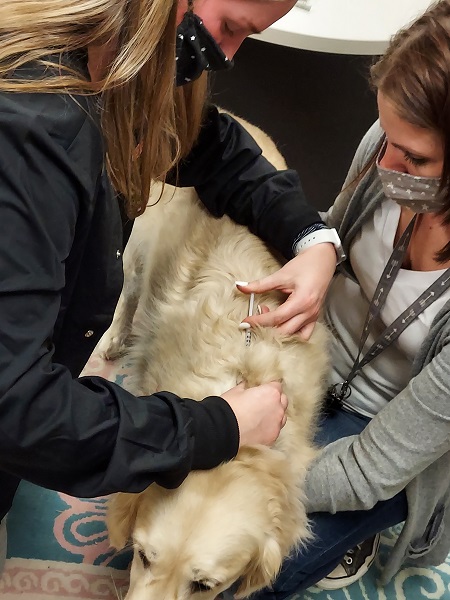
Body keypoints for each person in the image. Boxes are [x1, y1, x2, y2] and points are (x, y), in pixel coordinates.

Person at [0, 0, 341, 575]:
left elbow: (213, 148)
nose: (228, 56)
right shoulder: (31, 130)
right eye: (230, 26)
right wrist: (220, 426)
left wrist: (314, 238)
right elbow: (18, 408)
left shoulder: (115, 63)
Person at [245, 0, 450, 596]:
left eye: (414, 157)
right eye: (384, 136)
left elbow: (374, 466)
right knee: (166, 505)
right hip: (310, 356)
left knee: (243, 567)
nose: (385, 163)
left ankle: (362, 532)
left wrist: (239, 467)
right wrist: (319, 249)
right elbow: (335, 225)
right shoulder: (388, 153)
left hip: (379, 432)